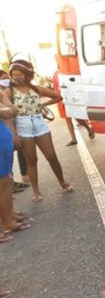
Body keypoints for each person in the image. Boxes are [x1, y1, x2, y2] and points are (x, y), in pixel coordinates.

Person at [9, 59, 74, 202]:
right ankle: (36, 191)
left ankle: (63, 182)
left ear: (27, 74)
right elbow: (7, 113)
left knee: (52, 157)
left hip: (39, 123)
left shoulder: (36, 89)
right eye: (14, 74)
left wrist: (44, 104)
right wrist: (14, 133)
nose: (16, 77)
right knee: (31, 160)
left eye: (20, 74)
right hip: (23, 125)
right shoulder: (10, 92)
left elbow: (58, 96)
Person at [0, 70, 29, 193]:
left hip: (7, 132)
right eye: (4, 78)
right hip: (6, 131)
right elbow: (8, 112)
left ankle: (11, 185)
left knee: (6, 171)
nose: (8, 80)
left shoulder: (2, 93)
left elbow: (12, 111)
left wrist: (5, 110)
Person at [53, 71, 94, 146]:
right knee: (67, 118)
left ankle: (88, 128)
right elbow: (55, 87)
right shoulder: (55, 74)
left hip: (72, 96)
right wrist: (57, 97)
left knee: (77, 116)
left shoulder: (68, 71)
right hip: (62, 98)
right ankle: (73, 139)